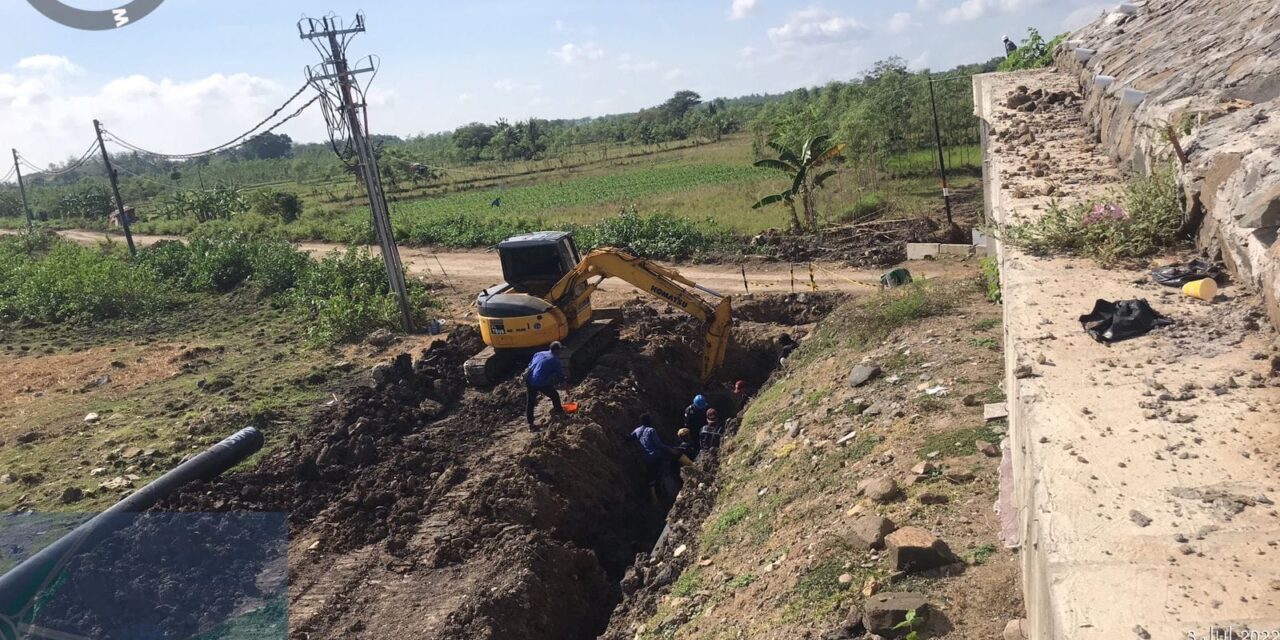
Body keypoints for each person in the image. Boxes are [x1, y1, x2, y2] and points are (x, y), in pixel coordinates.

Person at [628, 413, 680, 501]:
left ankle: (653, 497)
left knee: (651, 475)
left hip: (646, 458)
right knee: (659, 475)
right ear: (648, 421)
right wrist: (670, 449)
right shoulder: (651, 430)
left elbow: (629, 437)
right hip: (656, 457)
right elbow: (658, 444)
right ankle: (662, 495)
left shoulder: (637, 430)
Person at [524, 341, 565, 430]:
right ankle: (560, 413)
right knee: (555, 396)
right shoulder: (554, 360)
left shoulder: (539, 353)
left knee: (530, 402)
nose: (561, 352)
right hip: (540, 382)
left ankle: (530, 424)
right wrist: (564, 384)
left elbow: (531, 364)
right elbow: (560, 375)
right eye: (561, 350)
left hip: (530, 380)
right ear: (557, 350)